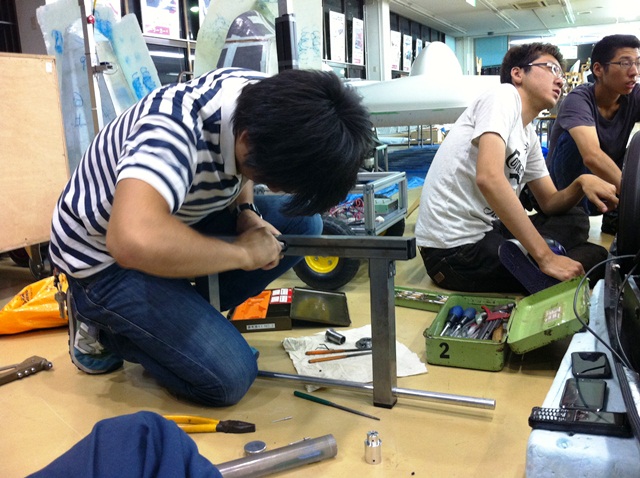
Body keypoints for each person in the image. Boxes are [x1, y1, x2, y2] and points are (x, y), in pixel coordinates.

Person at [49, 67, 374, 406]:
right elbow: (130, 240)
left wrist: (246, 212)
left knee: (302, 224)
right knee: (229, 379)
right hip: (104, 254)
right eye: (274, 179)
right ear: (247, 139)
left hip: (179, 213)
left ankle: (178, 313)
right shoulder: (172, 131)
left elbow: (245, 165)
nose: (277, 189)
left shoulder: (265, 100)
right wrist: (243, 253)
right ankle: (103, 327)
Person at [415, 43, 618, 294]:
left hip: (489, 231)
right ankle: (544, 260)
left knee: (574, 219)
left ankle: (539, 257)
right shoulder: (504, 95)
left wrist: (580, 183)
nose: (560, 80)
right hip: (452, 252)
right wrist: (545, 257)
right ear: (518, 73)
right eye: (551, 68)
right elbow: (489, 178)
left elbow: (549, 203)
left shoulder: (527, 133)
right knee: (594, 257)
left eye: (561, 74)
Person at [546, 34, 640, 234]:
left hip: (608, 188)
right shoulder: (578, 99)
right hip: (564, 192)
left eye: (638, 63)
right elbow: (591, 156)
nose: (634, 72)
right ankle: (573, 218)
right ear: (598, 69)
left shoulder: (634, 96)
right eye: (625, 63)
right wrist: (634, 197)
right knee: (572, 141)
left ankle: (616, 215)